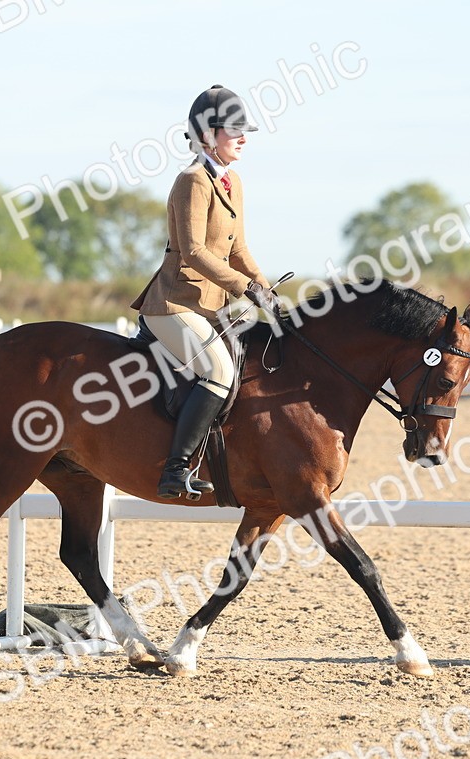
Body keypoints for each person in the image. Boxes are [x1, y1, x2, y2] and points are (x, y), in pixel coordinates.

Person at [131, 85, 281, 499]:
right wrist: (245, 288)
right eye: (234, 129)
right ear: (207, 134)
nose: (243, 137)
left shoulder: (233, 182)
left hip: (209, 306)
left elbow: (238, 250)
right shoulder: (192, 181)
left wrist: (267, 292)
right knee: (218, 371)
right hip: (174, 305)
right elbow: (194, 251)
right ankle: (175, 469)